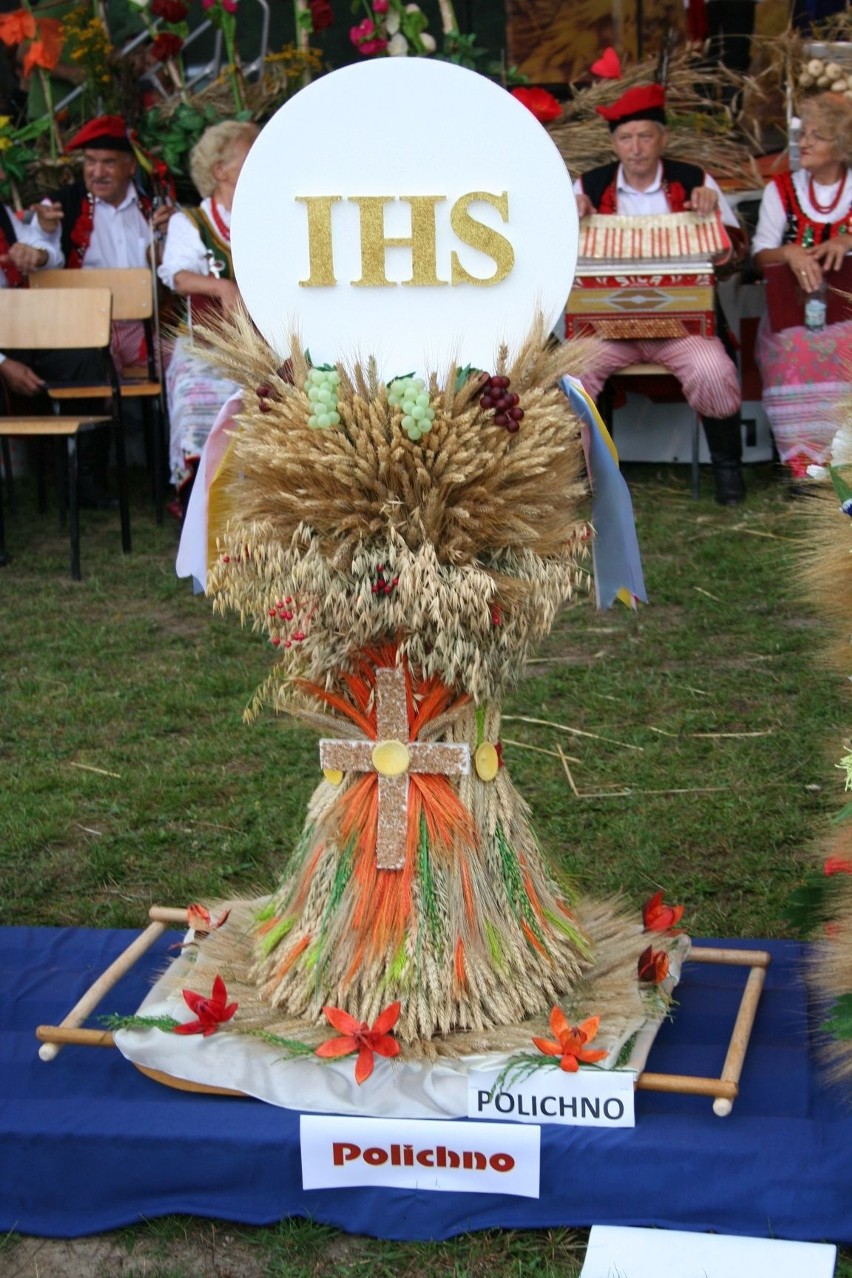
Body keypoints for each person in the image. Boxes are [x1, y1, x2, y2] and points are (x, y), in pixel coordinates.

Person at [573, 83, 746, 507]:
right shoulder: (588, 187)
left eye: (645, 136)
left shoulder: (695, 182)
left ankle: (728, 473)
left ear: (662, 139)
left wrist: (713, 220)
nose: (635, 148)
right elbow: (559, 260)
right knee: (573, 378)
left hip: (681, 328)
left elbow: (734, 258)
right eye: (625, 138)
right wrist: (569, 217)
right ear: (613, 143)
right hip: (607, 330)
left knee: (713, 370)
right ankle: (587, 481)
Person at [752, 93, 852, 479]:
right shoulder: (781, 189)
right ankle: (804, 465)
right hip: (793, 315)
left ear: (841, 145)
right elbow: (760, 254)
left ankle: (845, 461)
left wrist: (848, 241)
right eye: (803, 134)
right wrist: (790, 252)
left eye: (818, 136)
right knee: (790, 351)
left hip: (847, 313)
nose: (804, 143)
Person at [157, 120, 258, 503]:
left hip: (262, 343)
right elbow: (179, 278)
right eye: (252, 154)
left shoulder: (269, 216)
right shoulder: (192, 222)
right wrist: (221, 286)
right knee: (196, 390)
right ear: (220, 171)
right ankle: (201, 496)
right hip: (208, 344)